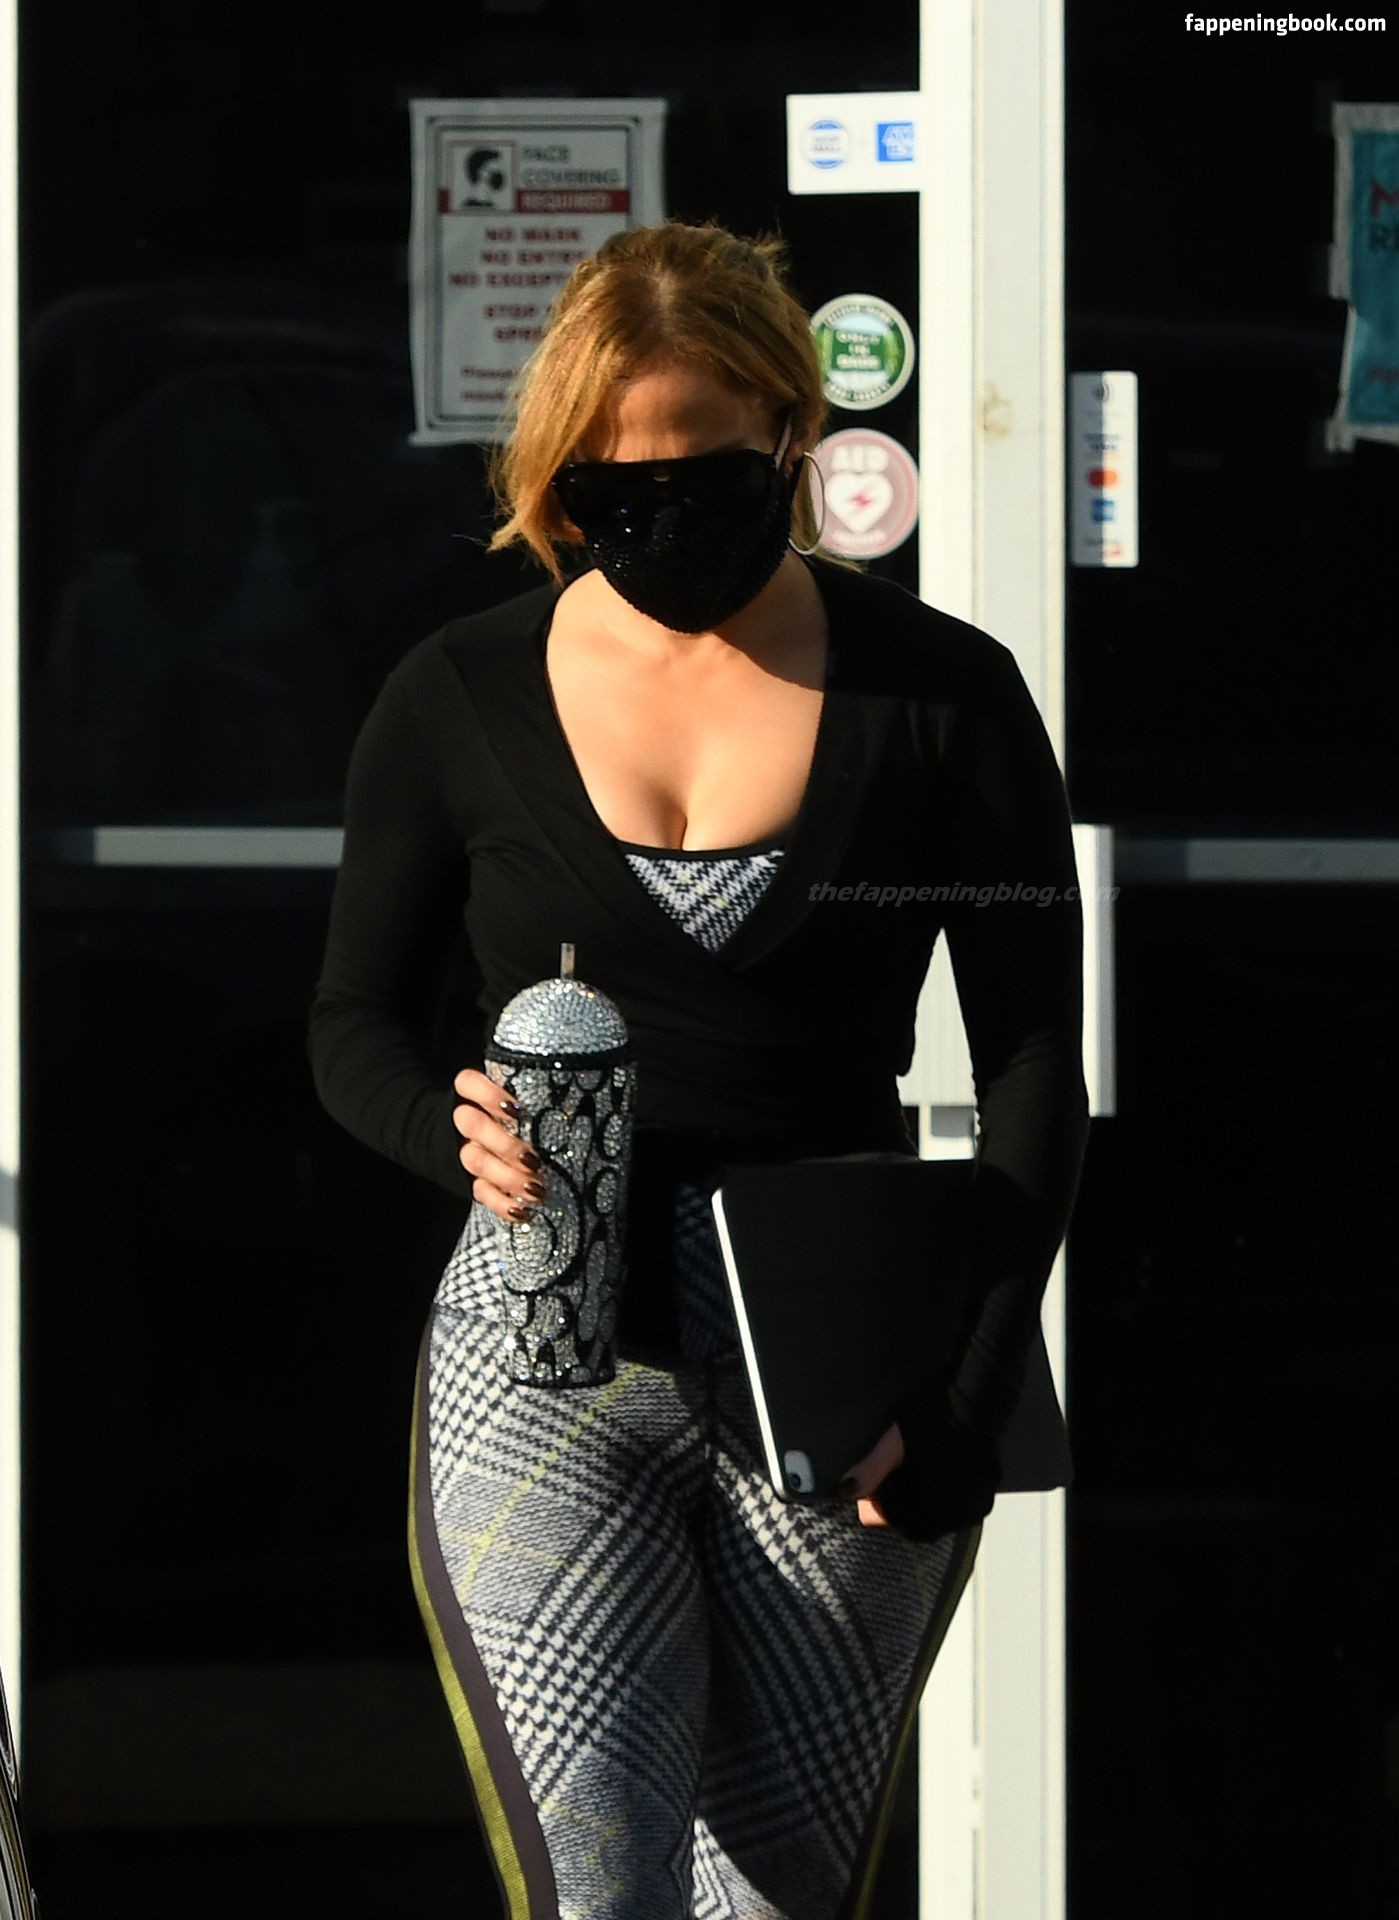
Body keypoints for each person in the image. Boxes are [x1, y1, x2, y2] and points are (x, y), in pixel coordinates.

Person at [306, 217, 1090, 1920]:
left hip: (839, 1374)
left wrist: (962, 1403)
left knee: (777, 1901)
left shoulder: (941, 697)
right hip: (542, 1356)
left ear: (794, 437)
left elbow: (1034, 1059)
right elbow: (351, 1022)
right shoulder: (458, 694)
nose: (662, 527)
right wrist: (455, 1134)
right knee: (599, 1893)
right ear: (557, 486)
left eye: (709, 480)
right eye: (614, 496)